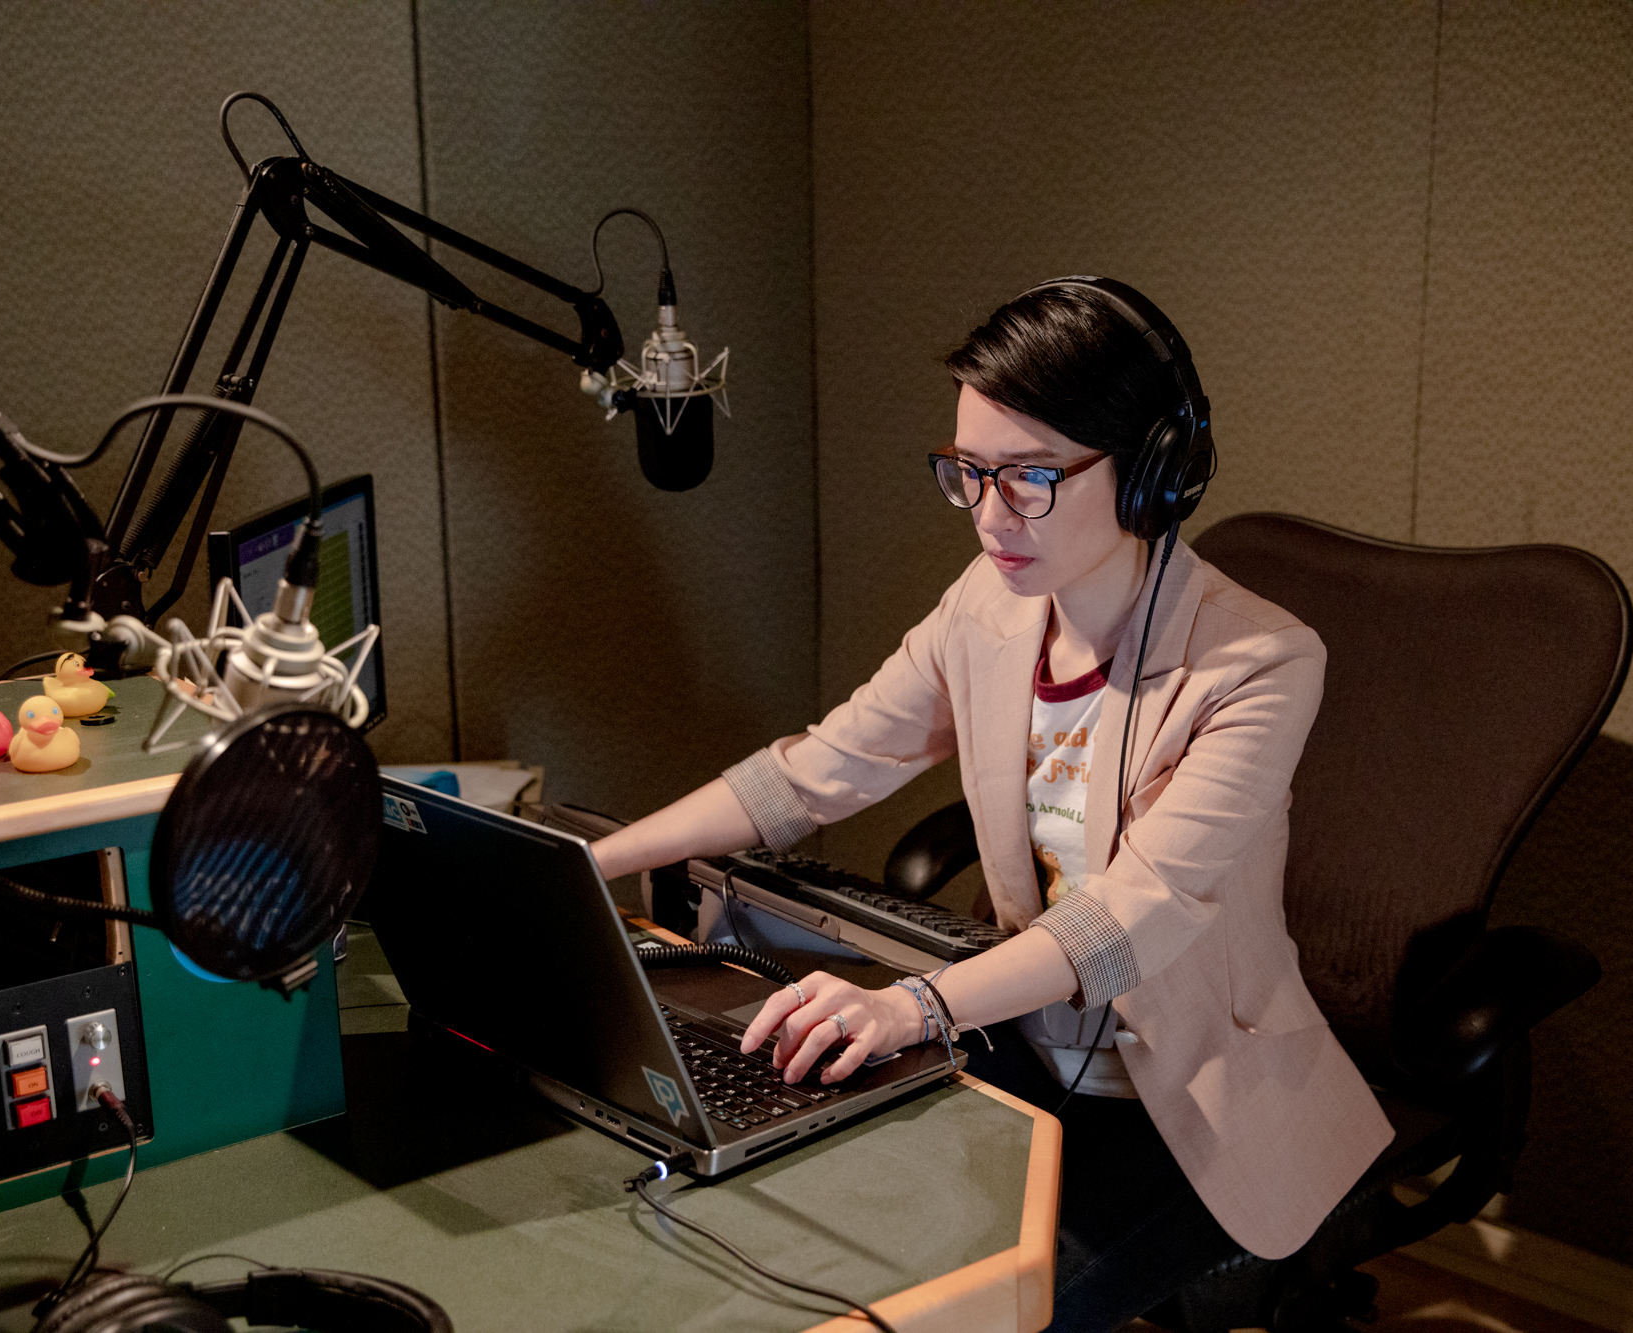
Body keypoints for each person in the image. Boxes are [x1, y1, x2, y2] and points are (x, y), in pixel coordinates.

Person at [591, 278, 1393, 1332]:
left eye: (1027, 478)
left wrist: (911, 1005)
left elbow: (1131, 915)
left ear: (1149, 473)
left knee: (979, 1318)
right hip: (1019, 1051)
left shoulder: (1258, 663)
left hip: (1188, 1109)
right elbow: (817, 769)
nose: (986, 514)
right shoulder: (988, 607)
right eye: (966, 473)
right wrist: (587, 862)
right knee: (809, 1250)